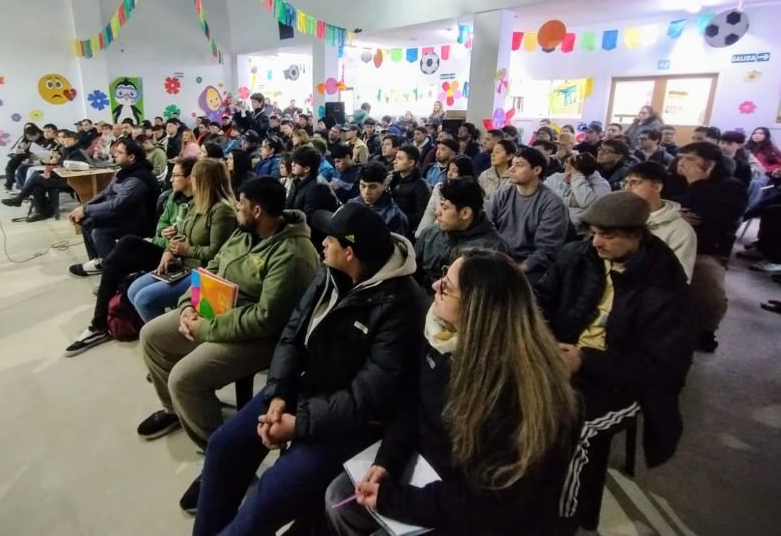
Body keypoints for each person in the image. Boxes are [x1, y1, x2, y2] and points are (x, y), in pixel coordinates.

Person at [194, 203, 425, 534]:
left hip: (348, 421)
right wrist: (277, 395)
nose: (322, 244)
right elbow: (292, 335)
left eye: (329, 240)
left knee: (268, 497)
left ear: (349, 252)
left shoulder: (401, 306)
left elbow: (367, 398)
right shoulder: (330, 273)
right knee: (223, 447)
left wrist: (296, 425)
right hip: (301, 390)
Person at [324, 249, 580, 536]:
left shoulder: (517, 392)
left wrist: (396, 501)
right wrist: (387, 460)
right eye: (443, 275)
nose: (435, 285)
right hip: (430, 470)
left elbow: (487, 502)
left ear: (477, 310)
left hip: (477, 508)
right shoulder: (442, 335)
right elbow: (412, 404)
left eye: (447, 286)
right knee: (338, 499)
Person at [139, 178, 319, 503]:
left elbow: (265, 319)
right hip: (213, 310)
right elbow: (211, 268)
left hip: (259, 337)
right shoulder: (245, 231)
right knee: (152, 336)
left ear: (257, 210)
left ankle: (222, 459)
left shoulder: (293, 253)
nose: (236, 209)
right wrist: (187, 308)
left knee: (185, 378)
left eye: (240, 205)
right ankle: (175, 411)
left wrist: (205, 328)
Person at [537, 192, 692, 531]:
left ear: (637, 235)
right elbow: (541, 302)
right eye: (593, 232)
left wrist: (585, 359)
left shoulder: (665, 285)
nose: (596, 242)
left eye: (607, 235)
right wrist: (542, 344)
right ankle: (521, 493)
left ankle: (566, 519)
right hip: (563, 356)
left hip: (622, 380)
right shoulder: (577, 255)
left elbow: (660, 369)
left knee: (578, 426)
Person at [64, 158, 197, 356]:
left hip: (182, 258)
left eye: (175, 175)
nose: (170, 179)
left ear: (190, 178)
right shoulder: (172, 197)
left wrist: (175, 243)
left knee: (113, 241)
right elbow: (160, 226)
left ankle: (103, 310)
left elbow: (119, 206)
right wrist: (164, 237)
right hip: (165, 250)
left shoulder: (141, 179)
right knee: (118, 247)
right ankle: (100, 321)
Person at [124, 159, 237, 323]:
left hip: (204, 271)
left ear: (204, 181)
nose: (191, 180)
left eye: (194, 177)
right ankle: (163, 328)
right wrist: (169, 250)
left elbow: (218, 253)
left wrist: (187, 251)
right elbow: (182, 232)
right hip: (182, 264)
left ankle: (165, 338)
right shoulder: (195, 203)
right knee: (133, 290)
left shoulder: (222, 210)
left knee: (144, 299)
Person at [673, 142, 747, 352]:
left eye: (690, 159)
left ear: (710, 164)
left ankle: (704, 330)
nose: (682, 163)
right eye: (681, 157)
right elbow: (664, 204)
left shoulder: (731, 186)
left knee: (705, 281)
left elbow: (712, 215)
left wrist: (696, 184)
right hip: (667, 240)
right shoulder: (674, 181)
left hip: (705, 247)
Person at [66, 139, 162, 276]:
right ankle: (101, 261)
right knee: (86, 221)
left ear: (131, 157)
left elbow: (116, 206)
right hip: (126, 215)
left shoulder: (138, 179)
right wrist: (82, 208)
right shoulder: (123, 172)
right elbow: (106, 193)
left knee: (100, 232)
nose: (114, 154)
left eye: (119, 152)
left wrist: (86, 210)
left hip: (141, 222)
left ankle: (117, 274)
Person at [488, 148, 570, 284]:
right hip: (498, 258)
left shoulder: (552, 204)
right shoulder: (502, 194)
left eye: (519, 165)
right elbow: (487, 228)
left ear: (536, 170)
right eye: (512, 164)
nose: (511, 170)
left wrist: (516, 269)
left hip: (529, 267)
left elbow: (546, 250)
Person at [414, 178, 508, 291]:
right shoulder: (430, 234)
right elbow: (413, 272)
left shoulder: (491, 250)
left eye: (445, 208)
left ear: (465, 213)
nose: (437, 212)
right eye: (440, 205)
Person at [623, 162, 697, 281]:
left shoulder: (680, 231)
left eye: (635, 182)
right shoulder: (618, 216)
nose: (626, 188)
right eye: (625, 183)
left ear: (657, 187)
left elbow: (679, 280)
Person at [0, 129, 91, 221]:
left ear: (76, 140)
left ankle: (19, 198)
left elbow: (71, 169)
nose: (64, 140)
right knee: (38, 185)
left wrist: (53, 170)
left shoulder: (78, 151)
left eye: (67, 138)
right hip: (63, 177)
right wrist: (51, 171)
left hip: (72, 181)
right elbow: (62, 166)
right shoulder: (66, 150)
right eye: (62, 138)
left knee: (37, 178)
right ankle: (40, 213)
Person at [286, 146, 340, 250]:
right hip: (296, 229)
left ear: (307, 168)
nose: (292, 164)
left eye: (295, 163)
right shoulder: (298, 180)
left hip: (312, 239)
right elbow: (289, 206)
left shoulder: (317, 187)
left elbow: (308, 220)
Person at [544, 152, 611, 232]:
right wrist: (570, 201)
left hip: (576, 231)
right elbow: (542, 200)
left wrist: (576, 177)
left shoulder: (601, 185)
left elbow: (586, 202)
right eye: (567, 167)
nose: (567, 171)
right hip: (548, 222)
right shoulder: (555, 178)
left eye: (570, 169)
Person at [416, 155, 477, 237]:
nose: (450, 174)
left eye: (455, 170)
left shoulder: (471, 192)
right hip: (437, 229)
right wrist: (420, 235)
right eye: (449, 169)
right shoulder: (439, 187)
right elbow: (430, 212)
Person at [349, 163, 410, 239]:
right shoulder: (351, 205)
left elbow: (395, 247)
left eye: (372, 187)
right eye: (363, 186)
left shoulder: (395, 216)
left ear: (384, 185)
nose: (366, 192)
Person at [388, 145, 432, 234]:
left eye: (399, 159)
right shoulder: (391, 179)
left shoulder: (420, 185)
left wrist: (396, 217)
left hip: (404, 229)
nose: (394, 162)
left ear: (411, 162)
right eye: (395, 158)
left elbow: (420, 215)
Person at [478, 139, 516, 213]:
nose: (492, 155)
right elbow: (477, 197)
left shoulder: (515, 178)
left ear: (509, 156)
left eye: (497, 152)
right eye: (493, 152)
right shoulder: (485, 175)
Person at [3, 123, 43, 192]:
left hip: (34, 158)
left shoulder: (42, 137)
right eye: (26, 129)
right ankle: (9, 184)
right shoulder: (24, 137)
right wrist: (18, 150)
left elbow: (41, 153)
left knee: (22, 167)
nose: (30, 138)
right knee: (10, 165)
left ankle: (22, 188)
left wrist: (29, 157)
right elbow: (13, 148)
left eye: (30, 128)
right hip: (22, 156)